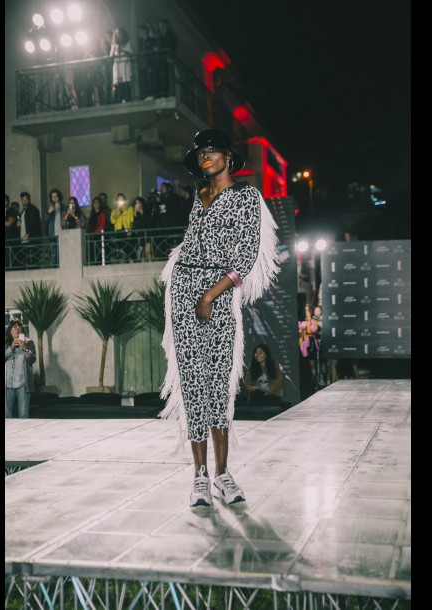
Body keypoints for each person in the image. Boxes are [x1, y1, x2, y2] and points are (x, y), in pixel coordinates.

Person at [159, 128, 280, 508]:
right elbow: (191, 243)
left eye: (212, 151)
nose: (205, 157)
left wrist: (210, 295)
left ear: (229, 157)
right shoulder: (199, 196)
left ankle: (223, 474)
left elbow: (245, 256)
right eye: (200, 153)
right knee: (193, 385)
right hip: (183, 291)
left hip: (217, 294)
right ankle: (199, 477)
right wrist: (183, 284)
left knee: (218, 386)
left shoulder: (246, 196)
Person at [5, 319, 36, 418]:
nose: (17, 329)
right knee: (6, 414)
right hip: (7, 383)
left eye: (19, 327)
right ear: (10, 330)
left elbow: (32, 359)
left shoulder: (29, 342)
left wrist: (25, 348)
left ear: (22, 330)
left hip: (23, 383)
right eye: (14, 327)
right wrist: (11, 348)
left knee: (23, 414)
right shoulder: (6, 343)